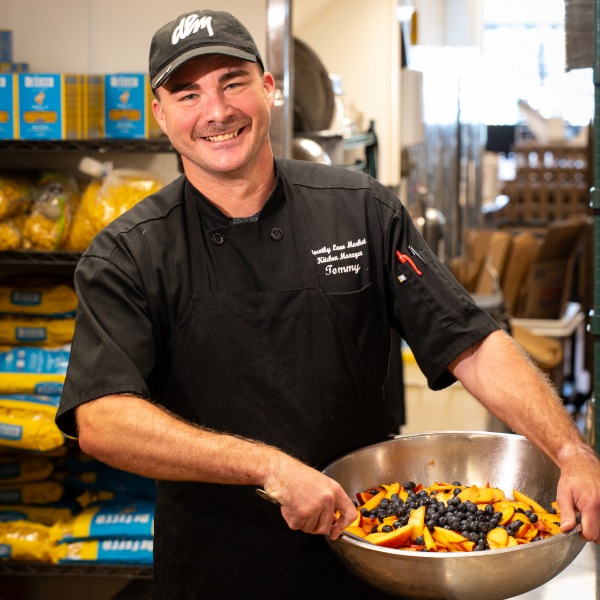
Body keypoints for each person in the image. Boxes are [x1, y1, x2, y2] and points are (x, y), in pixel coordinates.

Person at [56, 9, 600, 599]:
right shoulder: (128, 252)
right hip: (218, 568)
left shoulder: (362, 211)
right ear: (160, 114)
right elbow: (102, 419)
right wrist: (271, 468)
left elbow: (469, 341)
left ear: (269, 89)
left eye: (233, 82)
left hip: (374, 554)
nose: (216, 111)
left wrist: (570, 450)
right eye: (188, 93)